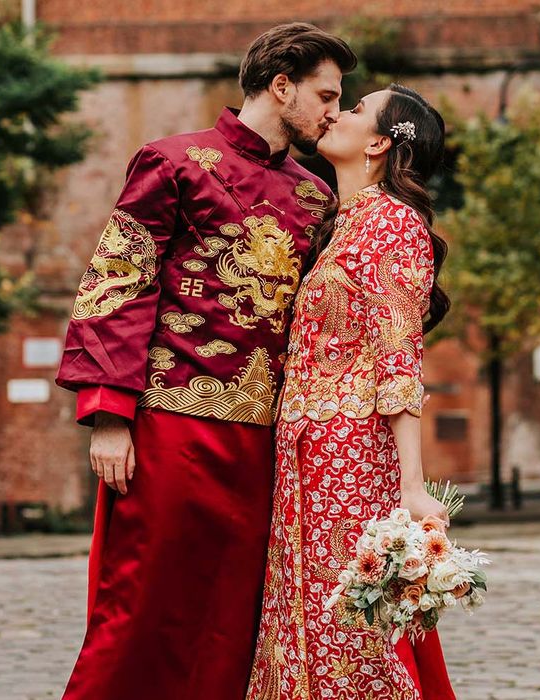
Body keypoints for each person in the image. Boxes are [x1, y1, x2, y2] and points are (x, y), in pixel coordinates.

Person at [54, 23, 357, 700]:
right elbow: (121, 280)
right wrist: (107, 413)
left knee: (240, 618)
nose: (335, 111)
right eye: (326, 94)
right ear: (281, 86)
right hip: (171, 430)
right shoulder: (174, 162)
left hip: (271, 445)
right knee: (142, 605)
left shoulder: (316, 197)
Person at [246, 85, 457, 699]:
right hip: (306, 451)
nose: (338, 112)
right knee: (302, 615)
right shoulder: (344, 226)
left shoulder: (394, 226)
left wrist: (412, 486)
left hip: (350, 454)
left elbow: (398, 358)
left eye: (357, 109)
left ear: (379, 144)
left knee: (347, 624)